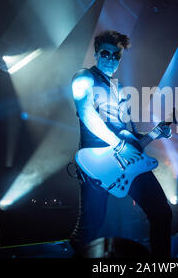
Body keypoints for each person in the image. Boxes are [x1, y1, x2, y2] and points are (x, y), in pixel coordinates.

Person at [69, 30, 172, 257]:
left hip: (126, 162)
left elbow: (129, 133)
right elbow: (87, 115)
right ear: (96, 53)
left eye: (117, 55)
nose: (111, 59)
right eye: (106, 53)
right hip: (97, 164)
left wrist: (155, 134)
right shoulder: (84, 77)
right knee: (88, 230)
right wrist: (118, 145)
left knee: (162, 212)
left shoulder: (120, 88)